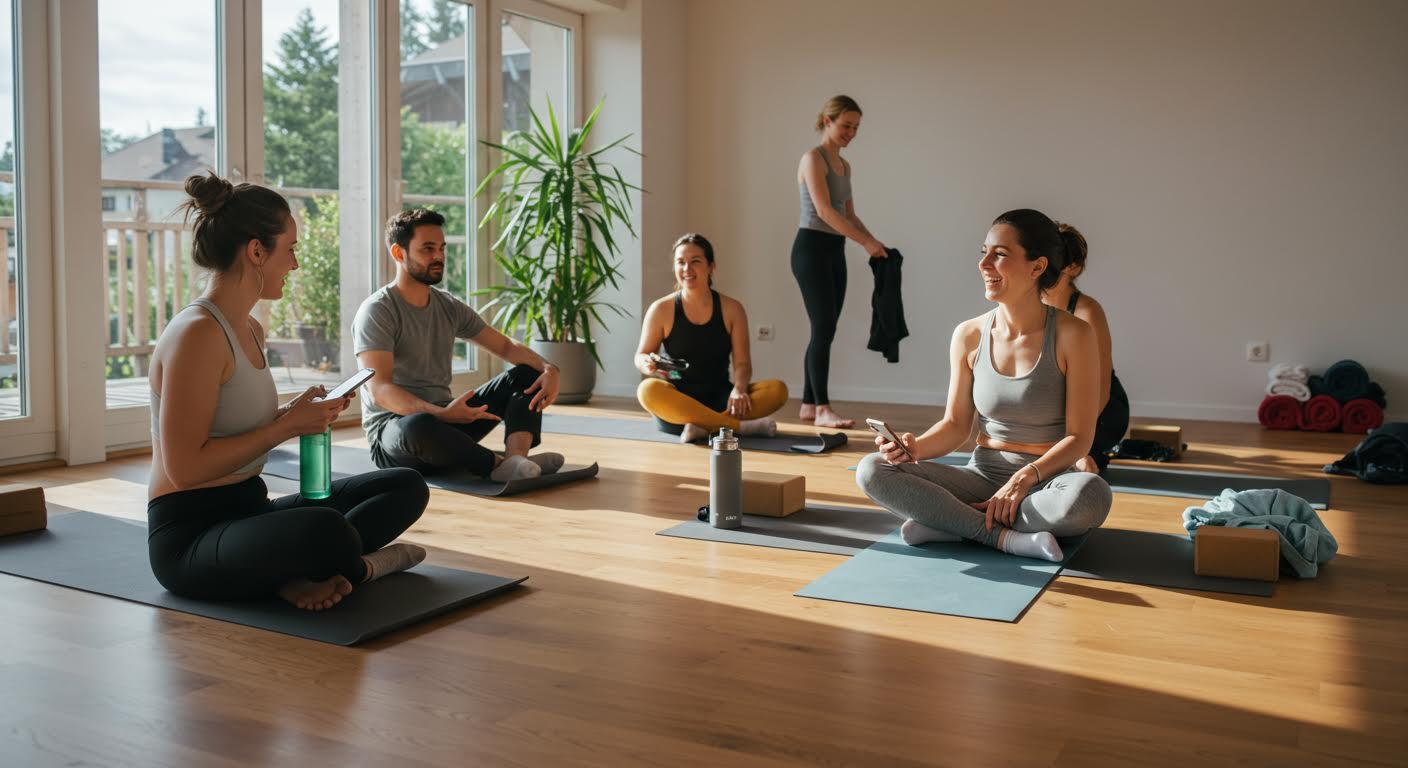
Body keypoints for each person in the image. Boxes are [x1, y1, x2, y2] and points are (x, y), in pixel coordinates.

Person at [147, 172, 430, 612]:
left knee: (404, 485)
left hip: (249, 511)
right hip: (190, 539)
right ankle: (358, 567)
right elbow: (184, 469)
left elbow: (227, 421)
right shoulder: (197, 334)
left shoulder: (251, 328)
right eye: (291, 249)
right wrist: (285, 429)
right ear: (257, 251)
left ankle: (298, 571)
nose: (294, 264)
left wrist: (291, 414)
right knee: (323, 529)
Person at [855, 209, 1112, 563]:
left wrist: (1023, 480)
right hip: (981, 477)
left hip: (1045, 483)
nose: (984, 264)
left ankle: (950, 524)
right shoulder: (969, 335)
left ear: (1036, 267)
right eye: (984, 252)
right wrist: (915, 447)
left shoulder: (1074, 335)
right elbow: (956, 426)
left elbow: (1080, 438)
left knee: (1091, 495)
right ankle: (1004, 538)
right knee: (872, 469)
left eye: (1000, 254)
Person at [353, 208, 563, 483]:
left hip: (449, 422)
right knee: (419, 425)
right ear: (398, 253)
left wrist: (550, 368)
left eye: (441, 248)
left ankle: (516, 460)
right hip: (397, 435)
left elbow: (506, 347)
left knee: (527, 373)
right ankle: (499, 465)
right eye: (428, 249)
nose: (438, 256)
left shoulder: (447, 305)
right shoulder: (378, 310)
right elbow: (380, 390)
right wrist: (442, 413)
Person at [792, 94, 889, 429]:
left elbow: (849, 213)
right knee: (822, 328)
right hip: (810, 249)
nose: (852, 132)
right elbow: (824, 211)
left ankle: (807, 403)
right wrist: (864, 242)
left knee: (826, 329)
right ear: (827, 121)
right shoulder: (813, 158)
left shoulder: (844, 166)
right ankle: (821, 408)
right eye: (847, 125)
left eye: (856, 127)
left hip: (834, 250)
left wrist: (874, 242)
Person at [635, 234, 788, 443]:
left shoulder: (733, 309)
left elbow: (742, 364)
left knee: (778, 390)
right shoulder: (661, 309)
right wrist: (646, 363)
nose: (687, 269)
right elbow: (641, 355)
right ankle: (736, 427)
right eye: (680, 262)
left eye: (695, 261)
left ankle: (702, 427)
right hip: (679, 403)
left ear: (711, 266)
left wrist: (739, 389)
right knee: (647, 390)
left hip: (721, 399)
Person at [1040, 223, 1129, 472]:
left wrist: (1071, 439)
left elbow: (1100, 389)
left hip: (1100, 412)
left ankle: (1086, 457)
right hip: (1054, 409)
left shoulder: (1087, 311)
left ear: (1073, 267)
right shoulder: (1030, 306)